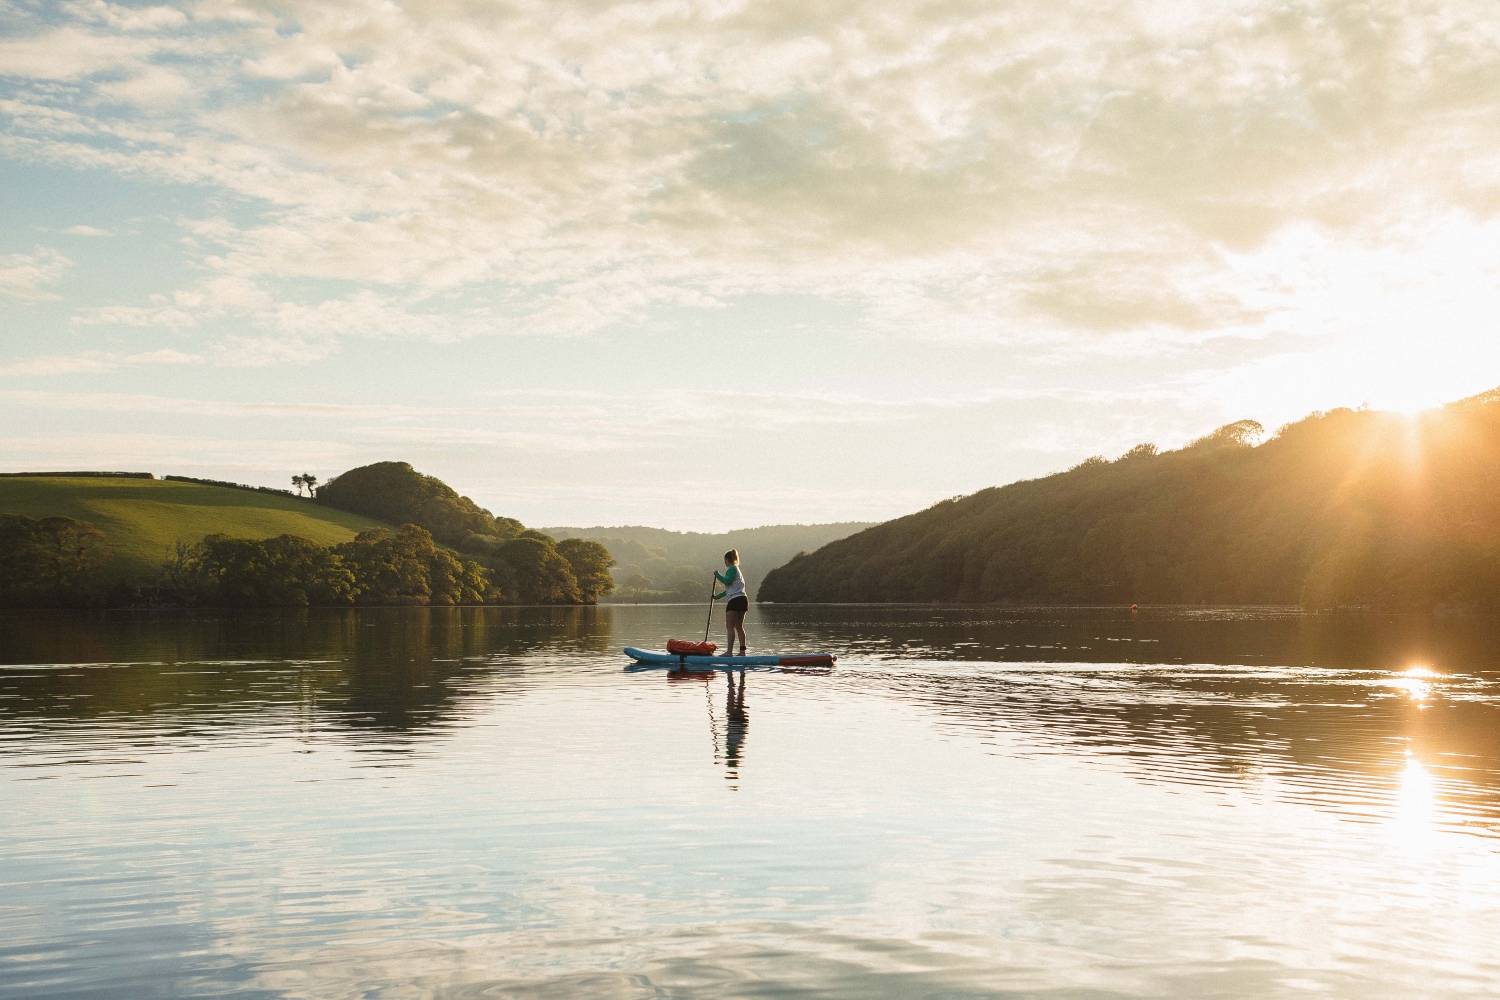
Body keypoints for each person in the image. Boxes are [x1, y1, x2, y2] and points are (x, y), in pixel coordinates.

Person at [713, 548, 749, 656]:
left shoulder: (732, 569)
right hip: (743, 600)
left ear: (728, 560)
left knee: (729, 626)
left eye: (725, 560)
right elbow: (729, 589)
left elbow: (726, 581)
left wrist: (717, 575)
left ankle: (729, 652)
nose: (724, 562)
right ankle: (742, 651)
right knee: (738, 626)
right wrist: (716, 597)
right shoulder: (737, 570)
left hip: (735, 601)